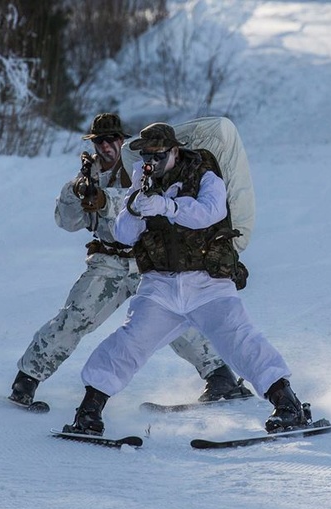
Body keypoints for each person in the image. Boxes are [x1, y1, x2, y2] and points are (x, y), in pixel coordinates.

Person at [62, 122, 314, 436]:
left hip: (207, 283)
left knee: (241, 341)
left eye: (159, 154)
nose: (152, 160)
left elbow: (210, 212)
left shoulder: (204, 174)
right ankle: (89, 411)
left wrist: (167, 205)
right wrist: (135, 209)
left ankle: (287, 404)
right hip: (161, 287)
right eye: (148, 154)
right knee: (127, 344)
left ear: (175, 150)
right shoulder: (142, 178)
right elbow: (124, 235)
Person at [9, 113, 251, 410]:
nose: (106, 146)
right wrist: (76, 193)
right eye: (100, 140)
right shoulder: (89, 176)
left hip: (145, 260)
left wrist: (104, 201)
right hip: (107, 261)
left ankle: (220, 377)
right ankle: (27, 378)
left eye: (112, 139)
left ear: (122, 141)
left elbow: (142, 202)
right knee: (74, 317)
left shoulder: (141, 167)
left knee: (177, 319)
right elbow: (66, 221)